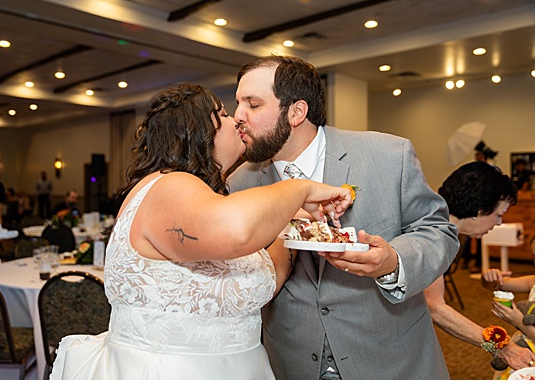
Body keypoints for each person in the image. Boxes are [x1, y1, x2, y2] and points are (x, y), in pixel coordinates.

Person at [51, 83, 351, 380]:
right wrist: (300, 188)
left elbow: (260, 281)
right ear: (196, 130)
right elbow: (234, 231)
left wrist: (290, 223)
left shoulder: (204, 202)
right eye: (222, 114)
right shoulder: (169, 185)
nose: (236, 120)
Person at [229, 55, 458, 380]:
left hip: (390, 360)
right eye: (237, 103)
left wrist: (392, 261)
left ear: (296, 112)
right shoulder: (240, 184)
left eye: (252, 104)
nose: (237, 116)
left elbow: (438, 231)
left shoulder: (389, 155)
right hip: (292, 363)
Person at [424, 162, 533, 372]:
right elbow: (435, 307)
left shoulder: (440, 226)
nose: (499, 223)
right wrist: (501, 347)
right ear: (479, 209)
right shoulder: (434, 235)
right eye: (498, 215)